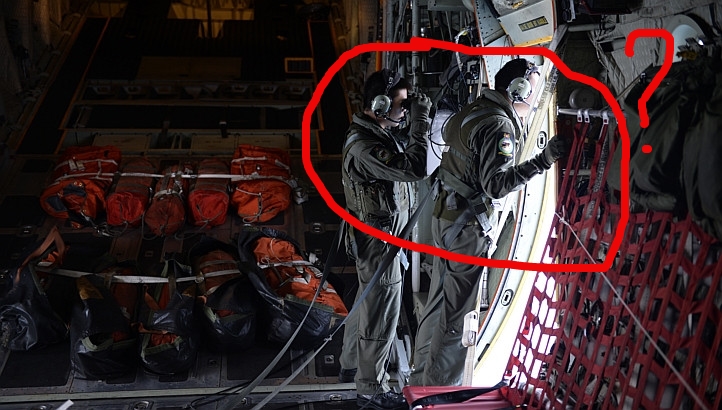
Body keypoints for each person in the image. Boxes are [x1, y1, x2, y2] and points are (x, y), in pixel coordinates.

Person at [408, 58, 568, 386]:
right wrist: (543, 161)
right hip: (466, 230)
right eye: (531, 88)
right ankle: (439, 390)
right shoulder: (500, 126)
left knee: (437, 304)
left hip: (444, 218)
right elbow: (496, 185)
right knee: (457, 316)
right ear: (517, 89)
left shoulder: (474, 110)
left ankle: (419, 377)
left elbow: (451, 138)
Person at [338, 68, 432, 409]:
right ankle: (371, 390)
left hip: (380, 240)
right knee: (381, 314)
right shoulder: (365, 146)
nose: (403, 112)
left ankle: (351, 365)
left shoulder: (375, 132)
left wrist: (412, 116)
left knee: (367, 303)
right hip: (380, 245)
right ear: (379, 106)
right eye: (400, 105)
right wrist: (420, 122)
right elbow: (414, 168)